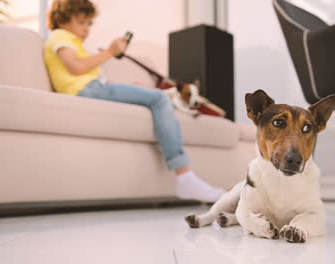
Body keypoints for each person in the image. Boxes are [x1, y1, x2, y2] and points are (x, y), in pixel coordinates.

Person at [44, 0, 225, 202]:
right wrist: (109, 53)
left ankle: (186, 178)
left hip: (93, 88)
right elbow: (76, 68)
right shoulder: (60, 36)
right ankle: (185, 177)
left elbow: (93, 78)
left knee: (154, 97)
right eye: (81, 22)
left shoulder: (72, 41)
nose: (86, 29)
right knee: (159, 98)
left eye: (89, 24)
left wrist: (132, 89)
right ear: (62, 19)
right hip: (87, 90)